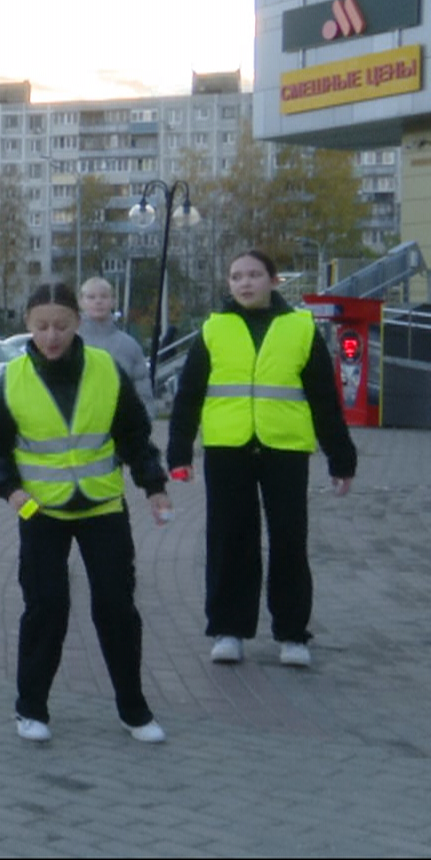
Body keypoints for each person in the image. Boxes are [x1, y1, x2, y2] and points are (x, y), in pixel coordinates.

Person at [0, 283, 173, 744]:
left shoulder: (106, 369)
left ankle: (134, 710)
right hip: (39, 510)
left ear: (78, 324)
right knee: (46, 607)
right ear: (27, 326)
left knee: (117, 607)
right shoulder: (14, 378)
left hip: (103, 507)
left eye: (61, 326)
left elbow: (134, 434)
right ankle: (31, 708)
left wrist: (154, 486)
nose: (52, 336)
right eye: (41, 326)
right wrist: (9, 489)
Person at [168, 248, 356, 668]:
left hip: (284, 448)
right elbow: (188, 395)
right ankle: (228, 630)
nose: (245, 283)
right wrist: (179, 452)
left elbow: (324, 399)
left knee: (289, 539)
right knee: (229, 539)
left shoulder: (300, 328)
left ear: (273, 281)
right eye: (236, 276)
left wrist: (341, 458)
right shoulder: (213, 329)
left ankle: (292, 634)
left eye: (254, 275)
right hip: (227, 448)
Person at [78, 277, 146, 385]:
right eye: (91, 297)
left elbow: (141, 384)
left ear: (113, 301)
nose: (98, 301)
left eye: (104, 296)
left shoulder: (129, 346)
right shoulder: (69, 342)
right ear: (81, 302)